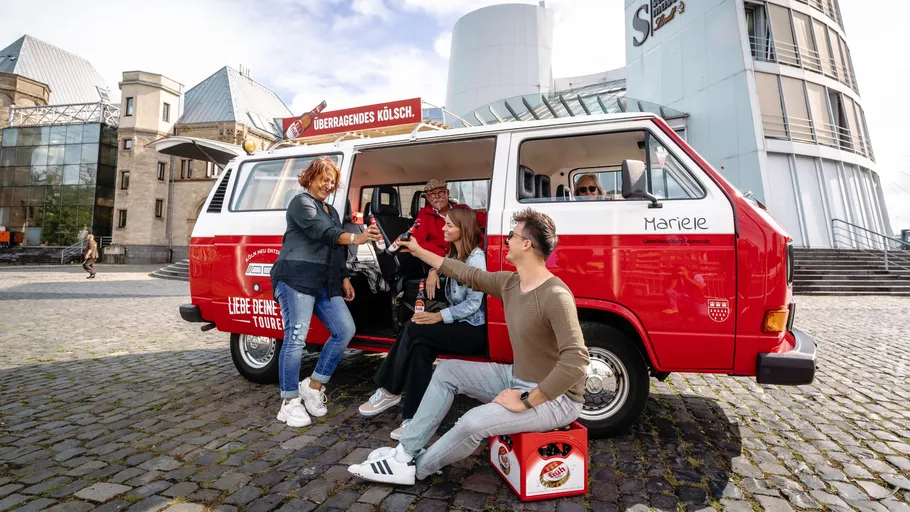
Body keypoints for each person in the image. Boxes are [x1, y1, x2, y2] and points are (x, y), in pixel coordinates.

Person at [347, 208, 589, 485]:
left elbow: (577, 361)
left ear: (527, 244)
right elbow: (466, 273)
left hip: (556, 400)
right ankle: (404, 454)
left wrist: (526, 400)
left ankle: (417, 469)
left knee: (472, 423)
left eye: (512, 235)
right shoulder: (512, 283)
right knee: (448, 371)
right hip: (517, 377)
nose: (505, 239)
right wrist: (416, 251)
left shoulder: (555, 295)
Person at [270, 156, 382, 428]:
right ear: (311, 177)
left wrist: (343, 278)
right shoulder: (300, 203)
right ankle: (289, 402)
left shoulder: (331, 211)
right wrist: (358, 237)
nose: (328, 185)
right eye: (324, 179)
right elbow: (323, 234)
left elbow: (335, 249)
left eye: (332, 182)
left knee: (344, 330)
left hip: (323, 281)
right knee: (296, 338)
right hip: (296, 277)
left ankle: (314, 384)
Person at [358, 206, 488, 440]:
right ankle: (414, 420)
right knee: (420, 347)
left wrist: (438, 317)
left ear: (463, 229)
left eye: (449, 225)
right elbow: (442, 265)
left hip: (475, 330)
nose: (443, 228)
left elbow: (474, 305)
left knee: (415, 328)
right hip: (461, 325)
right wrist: (434, 272)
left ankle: (389, 389)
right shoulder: (453, 255)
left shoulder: (476, 258)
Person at [410, 178, 487, 258]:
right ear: (428, 198)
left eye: (440, 192)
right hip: (444, 259)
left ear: (447, 193)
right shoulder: (424, 215)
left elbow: (488, 220)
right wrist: (444, 255)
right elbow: (418, 241)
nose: (437, 196)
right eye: (432, 194)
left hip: (469, 253)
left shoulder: (461, 209)